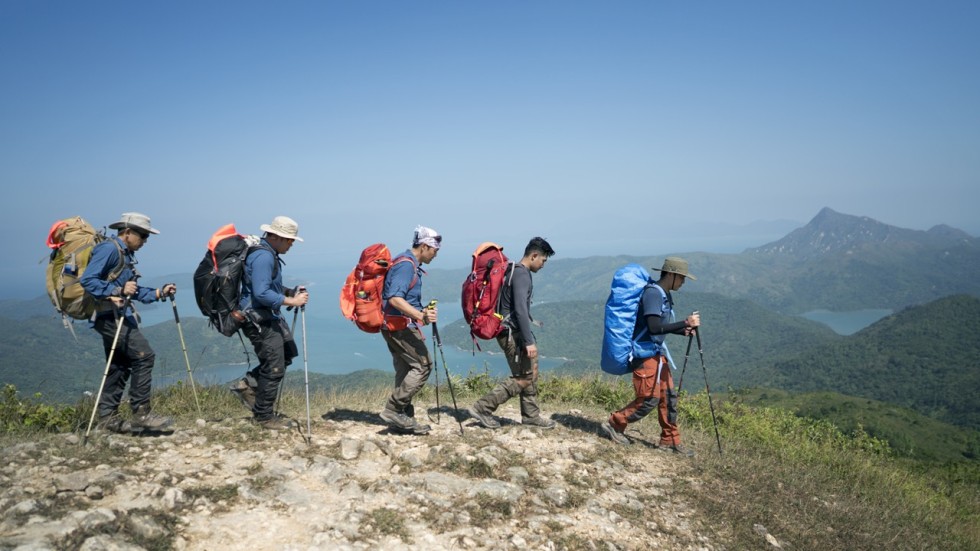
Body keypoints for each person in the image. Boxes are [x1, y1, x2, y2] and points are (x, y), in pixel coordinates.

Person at [80, 212, 177, 434]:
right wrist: (116, 290)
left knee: (119, 366)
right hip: (108, 316)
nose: (145, 241)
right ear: (128, 232)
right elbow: (88, 280)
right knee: (144, 355)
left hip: (116, 315)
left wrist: (159, 292)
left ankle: (107, 420)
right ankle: (141, 414)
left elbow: (132, 289)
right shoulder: (109, 249)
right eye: (143, 235)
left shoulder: (125, 254)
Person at [600, 256, 701, 455]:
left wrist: (683, 330)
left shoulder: (663, 294)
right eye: (681, 278)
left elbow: (657, 327)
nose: (682, 282)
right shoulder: (653, 295)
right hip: (645, 355)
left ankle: (670, 441)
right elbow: (654, 328)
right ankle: (615, 423)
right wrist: (685, 322)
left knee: (668, 397)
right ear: (671, 275)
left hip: (657, 354)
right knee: (649, 399)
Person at [229, 216, 309, 430]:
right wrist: (291, 300)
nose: (291, 244)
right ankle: (264, 417)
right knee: (274, 366)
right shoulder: (264, 257)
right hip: (257, 318)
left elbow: (267, 287)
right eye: (289, 240)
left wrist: (289, 291)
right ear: (276, 237)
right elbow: (261, 293)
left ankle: (248, 385)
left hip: (263, 316)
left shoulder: (267, 254)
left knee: (287, 353)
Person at [469, 237, 557, 429]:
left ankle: (531, 416)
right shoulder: (522, 275)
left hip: (507, 330)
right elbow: (520, 309)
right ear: (534, 255)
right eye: (543, 260)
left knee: (530, 370)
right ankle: (483, 407)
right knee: (524, 377)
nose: (543, 265)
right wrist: (528, 341)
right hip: (512, 333)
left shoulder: (512, 271)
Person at [378, 225, 442, 435]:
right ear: (424, 246)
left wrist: (420, 312)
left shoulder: (406, 262)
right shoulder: (406, 265)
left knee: (405, 369)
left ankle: (404, 418)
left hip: (393, 325)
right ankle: (394, 409)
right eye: (434, 250)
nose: (436, 254)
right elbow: (395, 299)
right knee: (424, 365)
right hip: (399, 325)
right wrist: (420, 315)